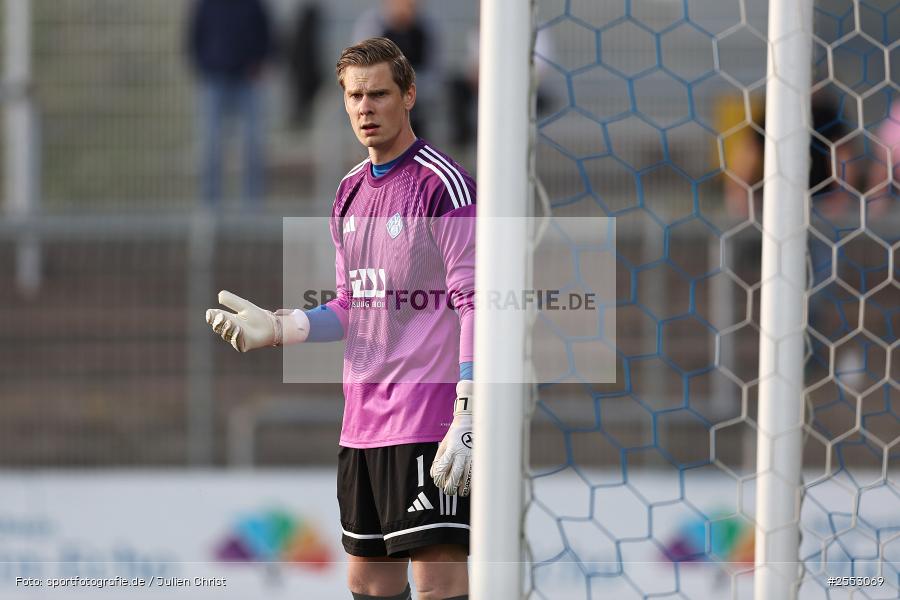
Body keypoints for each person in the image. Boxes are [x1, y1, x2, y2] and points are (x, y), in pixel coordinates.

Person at [204, 38, 475, 600]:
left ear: (409, 95)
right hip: (361, 422)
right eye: (355, 96)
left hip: (429, 420)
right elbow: (354, 303)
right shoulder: (348, 193)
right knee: (368, 583)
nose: (365, 108)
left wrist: (469, 410)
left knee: (437, 582)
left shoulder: (443, 186)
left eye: (379, 94)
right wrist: (281, 328)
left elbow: (475, 303)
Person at [187, 0, 273, 208]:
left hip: (247, 82)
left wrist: (260, 62)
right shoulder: (206, 5)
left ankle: (252, 208)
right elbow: (194, 39)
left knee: (253, 145)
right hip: (215, 80)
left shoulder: (253, 4)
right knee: (211, 146)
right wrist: (205, 68)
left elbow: (268, 36)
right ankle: (210, 208)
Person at [352, 0, 441, 139]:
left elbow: (433, 71)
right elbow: (362, 69)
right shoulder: (373, 27)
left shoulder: (426, 29)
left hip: (415, 99)